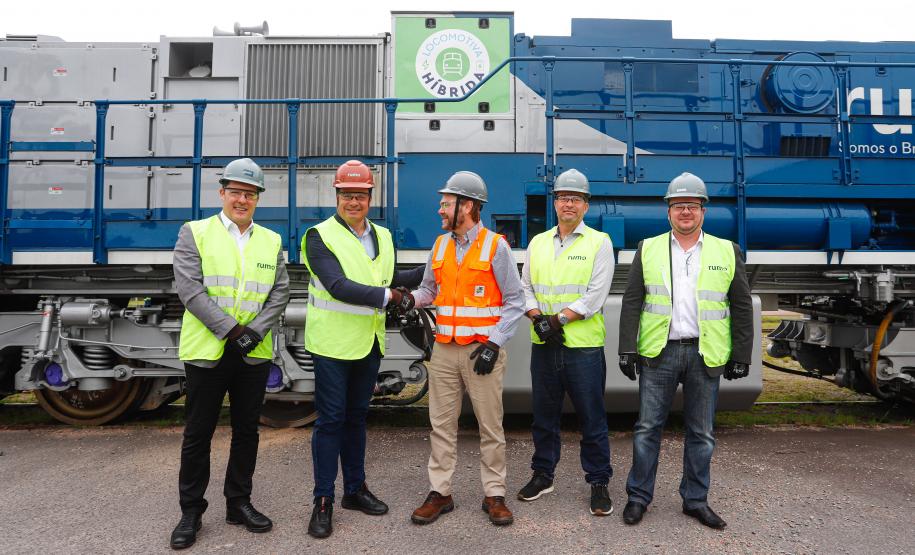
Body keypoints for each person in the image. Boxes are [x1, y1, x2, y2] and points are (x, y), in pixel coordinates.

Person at [617, 172, 753, 529]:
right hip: (659, 353)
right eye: (679, 206)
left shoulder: (727, 250)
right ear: (669, 211)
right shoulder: (648, 248)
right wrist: (627, 348)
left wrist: (742, 354)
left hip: (704, 354)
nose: (685, 212)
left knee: (702, 433)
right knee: (647, 428)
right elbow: (633, 301)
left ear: (703, 211)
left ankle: (695, 500)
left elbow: (740, 305)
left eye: (692, 205)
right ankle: (638, 498)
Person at [170, 157, 290, 549]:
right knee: (198, 432)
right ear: (222, 193)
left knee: (247, 432)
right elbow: (189, 289)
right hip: (208, 350)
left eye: (250, 193)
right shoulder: (195, 232)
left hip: (252, 352)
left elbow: (280, 292)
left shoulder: (271, 240)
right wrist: (232, 330)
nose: (242, 199)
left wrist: (253, 333)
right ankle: (191, 512)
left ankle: (239, 503)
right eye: (236, 191)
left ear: (258, 199)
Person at [302, 160, 423, 539]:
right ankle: (323, 499)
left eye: (360, 195)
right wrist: (393, 296)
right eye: (346, 194)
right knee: (330, 422)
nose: (353, 201)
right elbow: (337, 285)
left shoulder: (383, 236)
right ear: (336, 196)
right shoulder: (317, 236)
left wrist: (436, 266)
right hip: (333, 344)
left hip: (368, 342)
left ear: (371, 197)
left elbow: (386, 278)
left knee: (356, 419)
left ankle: (354, 490)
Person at [408, 171, 524, 527]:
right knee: (441, 426)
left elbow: (515, 300)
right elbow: (430, 290)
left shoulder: (495, 246)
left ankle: (495, 495)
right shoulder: (440, 245)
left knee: (491, 426)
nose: (439, 209)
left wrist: (494, 343)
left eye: (446, 203)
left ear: (467, 205)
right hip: (444, 350)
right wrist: (408, 299)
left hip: (481, 353)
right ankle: (440, 493)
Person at [516, 169, 615, 516]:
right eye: (562, 197)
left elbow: (595, 295)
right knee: (543, 417)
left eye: (575, 198)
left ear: (586, 205)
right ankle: (543, 475)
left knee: (592, 418)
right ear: (554, 202)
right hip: (544, 346)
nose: (568, 203)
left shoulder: (599, 242)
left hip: (583, 348)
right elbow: (524, 287)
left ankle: (599, 482)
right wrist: (535, 317)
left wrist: (556, 320)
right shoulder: (538, 242)